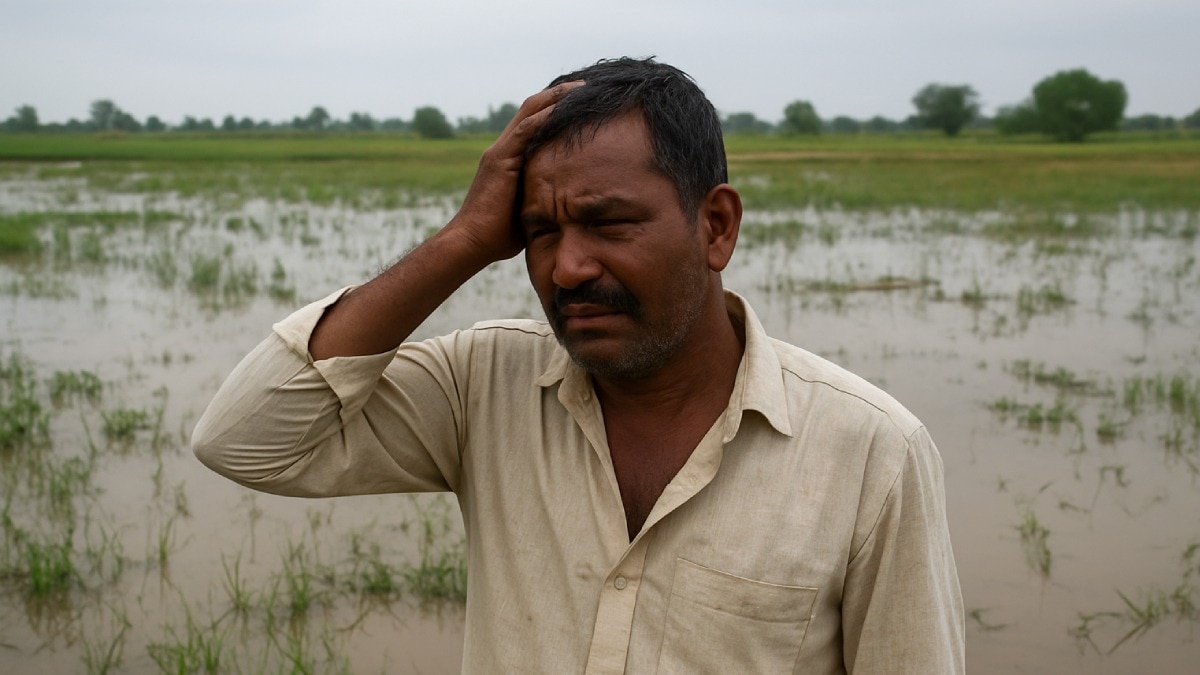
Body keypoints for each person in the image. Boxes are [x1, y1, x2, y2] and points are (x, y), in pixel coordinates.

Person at [193, 57, 965, 673]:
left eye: (608, 222)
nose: (566, 268)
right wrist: (463, 240)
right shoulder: (483, 386)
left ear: (716, 226)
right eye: (537, 232)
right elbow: (245, 438)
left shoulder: (869, 451)